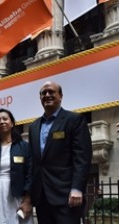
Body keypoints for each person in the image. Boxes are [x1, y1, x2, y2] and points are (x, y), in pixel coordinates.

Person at [28, 81, 92, 224]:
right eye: (43, 93)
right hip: (41, 196)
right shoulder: (33, 126)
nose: (47, 95)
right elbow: (34, 162)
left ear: (61, 96)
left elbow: (82, 158)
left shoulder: (74, 120)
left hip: (66, 194)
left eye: (51, 92)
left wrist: (77, 188)